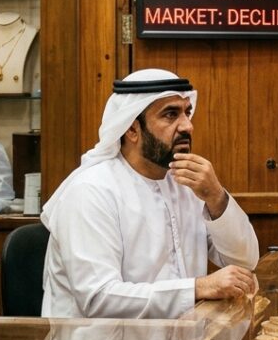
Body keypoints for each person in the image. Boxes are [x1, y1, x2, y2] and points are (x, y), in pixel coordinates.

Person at [40, 69, 260, 319]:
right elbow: (99, 298)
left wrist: (216, 197)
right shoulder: (91, 191)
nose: (187, 125)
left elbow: (245, 261)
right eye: (170, 115)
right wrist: (199, 288)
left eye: (187, 112)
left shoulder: (185, 184)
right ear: (132, 130)